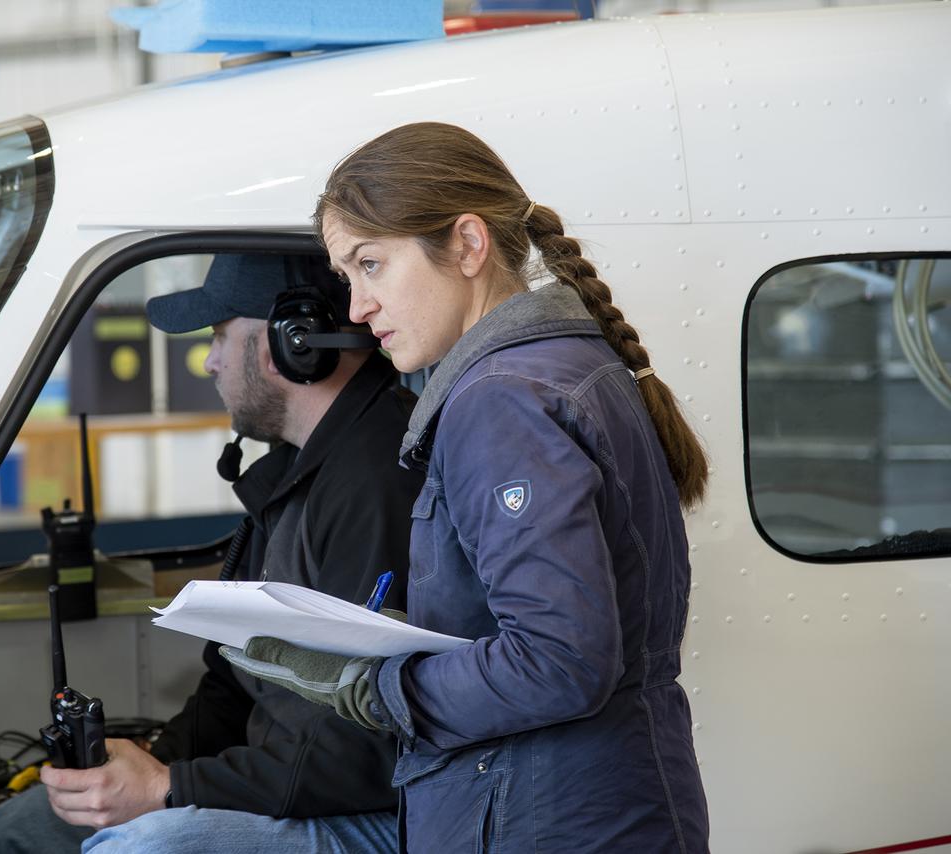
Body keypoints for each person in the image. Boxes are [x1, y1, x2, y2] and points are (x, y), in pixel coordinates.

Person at [224, 122, 711, 852]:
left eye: (371, 264)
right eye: (348, 277)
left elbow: (559, 661)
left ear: (467, 245)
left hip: (544, 822)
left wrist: (376, 688)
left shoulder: (501, 400)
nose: (356, 307)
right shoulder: (569, 366)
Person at [0, 252, 423, 854]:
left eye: (220, 335)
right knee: (18, 829)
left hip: (367, 808)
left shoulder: (380, 480)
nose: (209, 361)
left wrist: (169, 787)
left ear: (293, 339)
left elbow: (369, 747)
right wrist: (145, 769)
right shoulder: (294, 477)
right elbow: (234, 678)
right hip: (280, 782)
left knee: (134, 848)